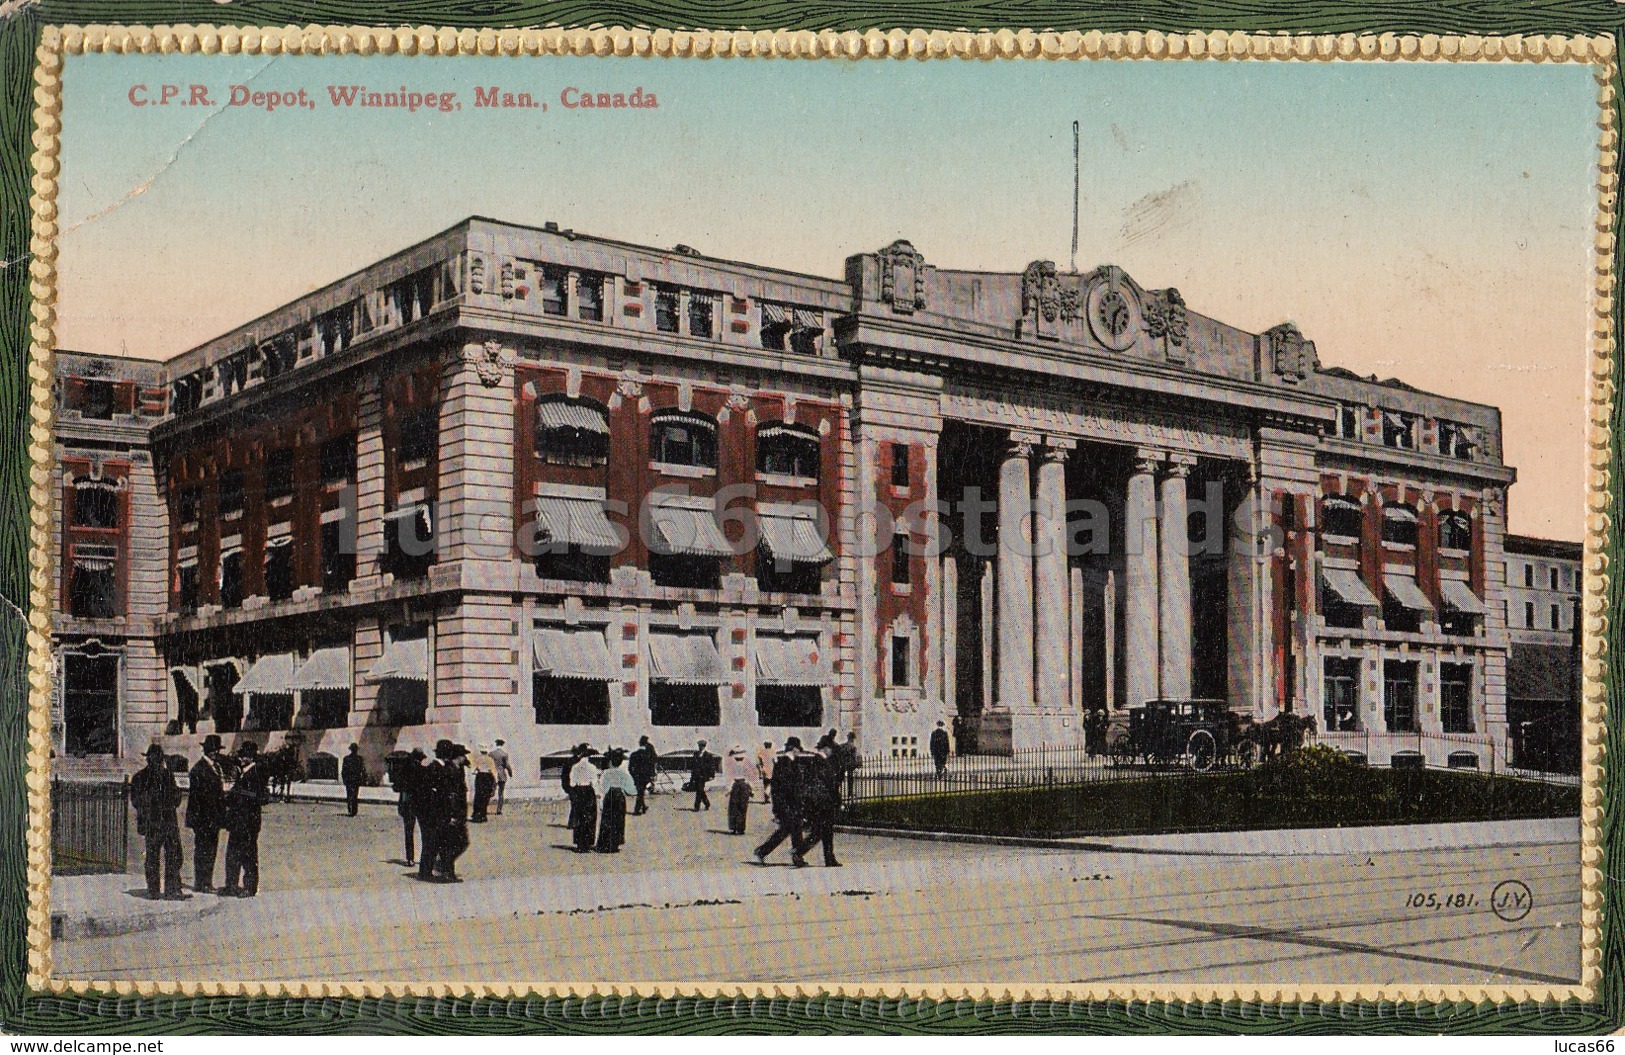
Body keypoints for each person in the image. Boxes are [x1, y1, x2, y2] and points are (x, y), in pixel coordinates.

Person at [131, 743, 185, 899]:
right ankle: (156, 890)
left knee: (173, 855)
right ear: (149, 760)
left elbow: (176, 797)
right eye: (154, 759)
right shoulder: (140, 778)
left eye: (158, 759)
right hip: (155, 824)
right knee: (154, 857)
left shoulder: (167, 775)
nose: (157, 762)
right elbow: (136, 800)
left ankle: (170, 889)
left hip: (167, 823)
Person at [222, 741, 268, 898]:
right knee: (233, 854)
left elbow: (262, 797)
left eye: (242, 756)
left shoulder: (257, 773)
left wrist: (238, 794)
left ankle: (250, 887)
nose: (240, 758)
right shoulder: (243, 772)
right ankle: (231, 885)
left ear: (250, 757)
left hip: (248, 822)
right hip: (237, 822)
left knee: (248, 855)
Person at [752, 738, 809, 865]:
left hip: (793, 804)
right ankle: (795, 856)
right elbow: (778, 788)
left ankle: (795, 856)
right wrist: (778, 807)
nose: (799, 752)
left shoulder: (793, 762)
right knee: (790, 829)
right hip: (786, 804)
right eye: (798, 749)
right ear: (794, 748)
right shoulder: (784, 763)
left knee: (790, 830)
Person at [421, 740, 470, 882]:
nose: (465, 758)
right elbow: (449, 795)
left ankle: (444, 869)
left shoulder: (455, 768)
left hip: (452, 813)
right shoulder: (448, 769)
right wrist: (452, 815)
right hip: (448, 813)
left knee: (450, 843)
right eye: (463, 756)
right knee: (454, 843)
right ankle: (444, 870)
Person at [184, 734, 227, 894]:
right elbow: (198, 798)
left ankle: (206, 881)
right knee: (203, 850)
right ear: (207, 750)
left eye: (217, 750)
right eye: (213, 750)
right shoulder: (198, 769)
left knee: (211, 849)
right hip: (203, 818)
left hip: (213, 818)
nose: (215, 753)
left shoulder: (216, 767)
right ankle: (201, 882)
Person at [792, 742, 843, 868]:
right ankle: (800, 852)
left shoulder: (812, 761)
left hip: (815, 802)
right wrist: (838, 801)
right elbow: (831, 784)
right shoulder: (824, 763)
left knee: (822, 831)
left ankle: (828, 858)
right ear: (826, 748)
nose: (832, 752)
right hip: (824, 801)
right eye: (831, 750)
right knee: (824, 831)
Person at [595, 748, 636, 853]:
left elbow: (603, 788)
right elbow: (631, 790)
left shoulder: (607, 773)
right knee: (618, 820)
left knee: (607, 820)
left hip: (610, 796)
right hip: (620, 796)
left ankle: (605, 844)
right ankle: (615, 844)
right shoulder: (624, 774)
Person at [393, 747, 426, 867]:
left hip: (407, 804)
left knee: (409, 832)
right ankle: (424, 858)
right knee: (424, 832)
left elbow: (396, 786)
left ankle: (410, 858)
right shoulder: (422, 770)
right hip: (421, 805)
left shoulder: (404, 770)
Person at [568, 747, 600, 853]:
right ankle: (587, 843)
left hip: (578, 791)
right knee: (589, 817)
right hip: (588, 791)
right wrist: (598, 794)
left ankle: (579, 843)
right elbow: (594, 782)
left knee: (579, 816)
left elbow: (572, 783)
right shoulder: (592, 767)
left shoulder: (575, 767)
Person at [723, 744, 754, 835]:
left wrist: (728, 790)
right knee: (742, 807)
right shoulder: (747, 766)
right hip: (744, 785)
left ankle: (733, 827)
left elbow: (730, 779)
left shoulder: (731, 766)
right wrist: (752, 790)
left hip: (735, 786)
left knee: (734, 807)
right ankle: (741, 828)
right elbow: (749, 779)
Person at [628, 736, 658, 815]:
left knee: (640, 792)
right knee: (640, 792)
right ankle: (641, 808)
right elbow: (652, 764)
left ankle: (638, 809)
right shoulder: (647, 755)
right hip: (645, 777)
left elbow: (630, 768)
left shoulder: (633, 755)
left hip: (637, 776)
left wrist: (633, 775)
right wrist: (651, 774)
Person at [469, 744, 497, 823]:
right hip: (488, 776)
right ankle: (483, 814)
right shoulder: (490, 759)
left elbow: (475, 769)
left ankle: (477, 814)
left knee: (478, 795)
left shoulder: (478, 759)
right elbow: (493, 771)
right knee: (486, 796)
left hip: (480, 776)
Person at [689, 739, 719, 811]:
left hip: (703, 776)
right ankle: (707, 803)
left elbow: (712, 766)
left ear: (704, 746)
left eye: (702, 746)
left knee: (699, 791)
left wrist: (712, 775)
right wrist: (692, 777)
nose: (700, 747)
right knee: (700, 790)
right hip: (696, 775)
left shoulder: (708, 755)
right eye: (699, 746)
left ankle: (697, 807)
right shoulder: (696, 754)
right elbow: (693, 766)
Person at [341, 742, 367, 817]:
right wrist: (363, 779)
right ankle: (354, 811)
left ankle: (350, 810)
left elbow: (343, 771)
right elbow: (363, 770)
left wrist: (344, 780)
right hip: (355, 780)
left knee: (349, 795)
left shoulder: (347, 758)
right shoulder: (359, 759)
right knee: (355, 795)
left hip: (350, 780)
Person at [490, 738, 513, 815]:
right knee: (501, 793)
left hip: (492, 774)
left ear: (496, 744)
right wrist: (510, 773)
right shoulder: (504, 754)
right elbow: (507, 765)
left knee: (489, 791)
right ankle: (499, 810)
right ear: (502, 745)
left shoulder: (491, 754)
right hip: (501, 775)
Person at [834, 731, 861, 798]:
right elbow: (854, 757)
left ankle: (836, 791)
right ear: (852, 739)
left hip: (843, 764)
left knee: (840, 778)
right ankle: (850, 793)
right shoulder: (853, 747)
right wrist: (857, 764)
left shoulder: (843, 745)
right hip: (850, 765)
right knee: (850, 779)